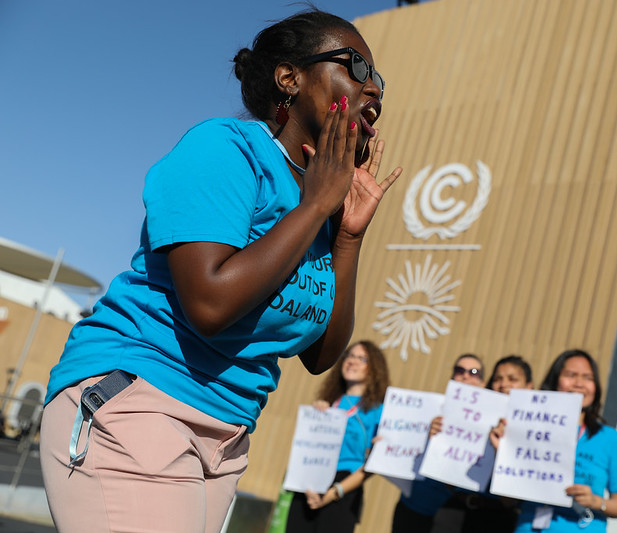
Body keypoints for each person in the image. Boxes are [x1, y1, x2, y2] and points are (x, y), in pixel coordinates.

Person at [39, 9, 401, 533]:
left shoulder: (318, 202)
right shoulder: (225, 149)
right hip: (141, 402)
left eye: (379, 80)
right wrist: (316, 206)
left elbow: (322, 356)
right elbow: (210, 304)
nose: (374, 91)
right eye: (355, 68)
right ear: (289, 78)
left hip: (227, 440)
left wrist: (348, 236)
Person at [491, 349, 617, 532]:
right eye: (570, 375)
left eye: (587, 377)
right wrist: (501, 453)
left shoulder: (610, 438)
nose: (579, 383)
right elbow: (508, 501)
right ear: (555, 381)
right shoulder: (529, 428)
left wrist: (595, 501)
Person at [286, 340, 389, 533]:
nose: (352, 361)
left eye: (361, 358)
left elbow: (372, 464)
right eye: (349, 356)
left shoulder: (379, 411)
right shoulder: (329, 403)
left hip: (344, 491)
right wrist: (317, 418)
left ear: (374, 368)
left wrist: (335, 492)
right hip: (309, 484)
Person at [432, 355, 535, 533]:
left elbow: (511, 501)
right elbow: (449, 480)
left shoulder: (536, 429)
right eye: (498, 379)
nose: (504, 384)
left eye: (513, 379)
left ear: (529, 386)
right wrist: (438, 437)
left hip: (499, 517)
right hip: (455, 510)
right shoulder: (473, 416)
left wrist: (500, 453)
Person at [392, 354, 486, 533]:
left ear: (482, 382)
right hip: (413, 507)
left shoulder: (489, 422)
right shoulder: (431, 409)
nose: (465, 376)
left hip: (454, 514)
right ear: (452, 378)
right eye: (460, 371)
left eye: (473, 372)